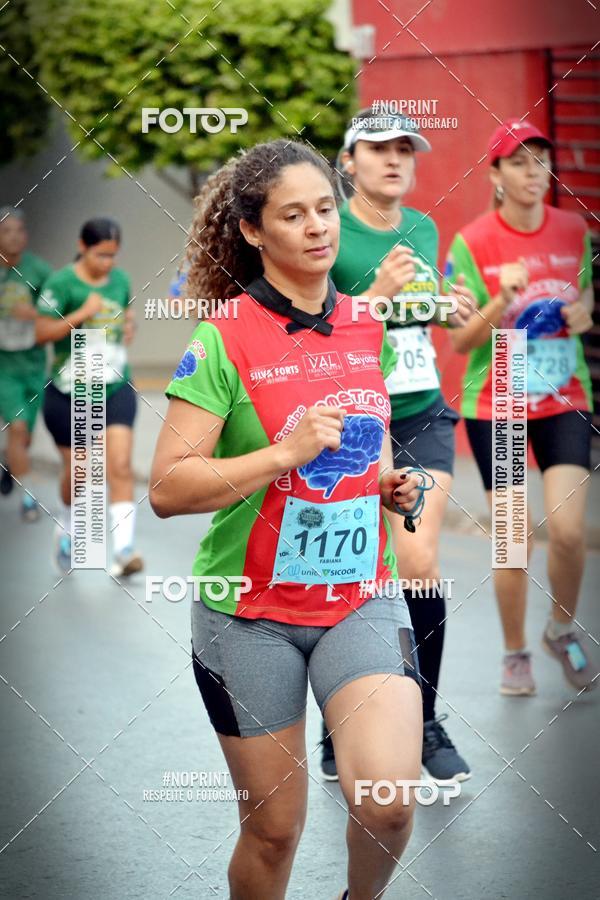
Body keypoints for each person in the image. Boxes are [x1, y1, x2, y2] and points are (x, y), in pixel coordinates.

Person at [150, 139, 426, 900]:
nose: (317, 227)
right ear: (252, 230)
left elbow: (363, 438)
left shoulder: (367, 325)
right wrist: (284, 453)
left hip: (360, 597)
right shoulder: (225, 336)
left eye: (326, 209)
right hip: (248, 615)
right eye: (293, 214)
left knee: (389, 803)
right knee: (274, 831)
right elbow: (168, 487)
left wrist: (385, 484)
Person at [321, 109, 474, 785]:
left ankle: (425, 721)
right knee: (355, 566)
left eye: (405, 149)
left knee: (416, 559)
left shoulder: (423, 227)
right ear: (348, 161)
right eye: (378, 148)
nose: (394, 160)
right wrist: (375, 300)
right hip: (355, 417)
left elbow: (420, 313)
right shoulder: (331, 233)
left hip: (420, 413)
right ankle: (340, 723)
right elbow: (320, 329)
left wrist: (450, 307)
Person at [446, 118, 597, 694]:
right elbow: (461, 341)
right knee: (513, 538)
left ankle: (560, 629)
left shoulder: (573, 229)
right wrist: (502, 299)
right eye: (518, 162)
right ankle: (515, 653)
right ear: (496, 175)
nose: (533, 172)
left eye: (540, 160)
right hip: (500, 402)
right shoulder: (473, 242)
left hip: (563, 397)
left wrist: (583, 312)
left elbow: (583, 295)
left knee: (568, 531)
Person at [36, 217, 142, 577]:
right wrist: (81, 314)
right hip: (70, 392)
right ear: (82, 247)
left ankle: (124, 551)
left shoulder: (121, 280)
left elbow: (126, 315)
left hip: (114, 386)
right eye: (101, 255)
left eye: (113, 255)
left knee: (120, 464)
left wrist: (128, 326)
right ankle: (67, 525)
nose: (108, 263)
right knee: (80, 471)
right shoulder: (61, 283)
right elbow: (41, 332)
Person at [0, 207, 52, 521]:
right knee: (18, 429)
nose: (14, 236)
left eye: (19, 230)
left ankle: (10, 463)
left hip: (33, 363)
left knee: (25, 436)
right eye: (6, 231)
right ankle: (29, 499)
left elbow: (56, 311)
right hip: (4, 366)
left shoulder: (39, 271)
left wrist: (32, 314)